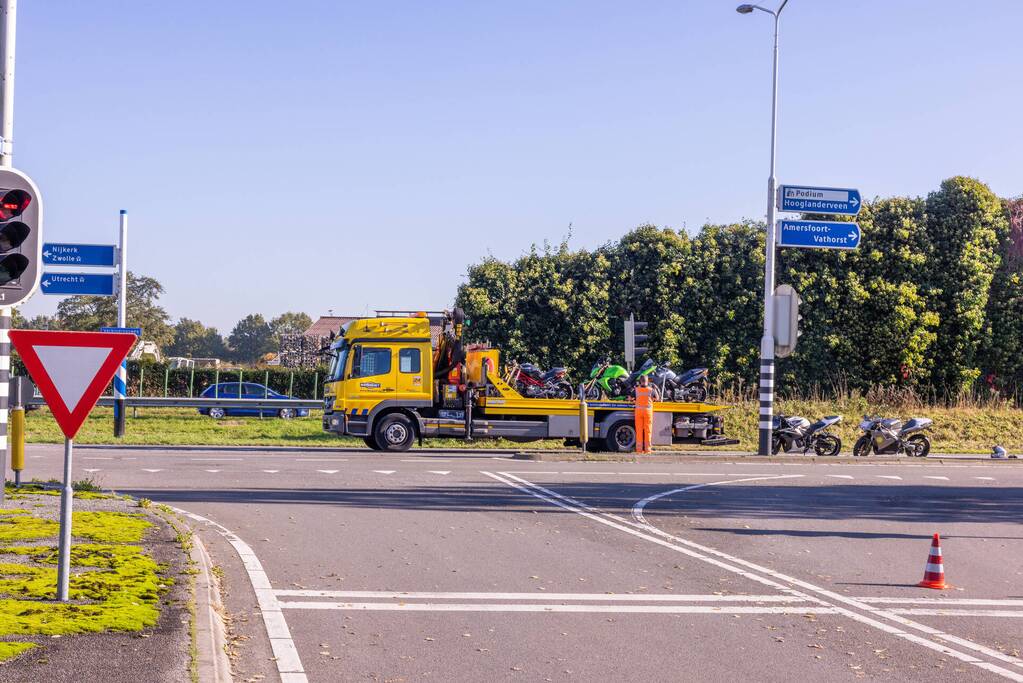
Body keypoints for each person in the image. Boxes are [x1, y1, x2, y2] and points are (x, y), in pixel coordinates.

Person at [633, 375, 659, 454]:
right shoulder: (651, 390)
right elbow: (657, 398)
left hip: (638, 412)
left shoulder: (636, 390)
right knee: (648, 431)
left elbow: (630, 398)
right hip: (648, 412)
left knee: (639, 431)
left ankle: (639, 450)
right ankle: (647, 450)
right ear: (647, 381)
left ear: (640, 381)